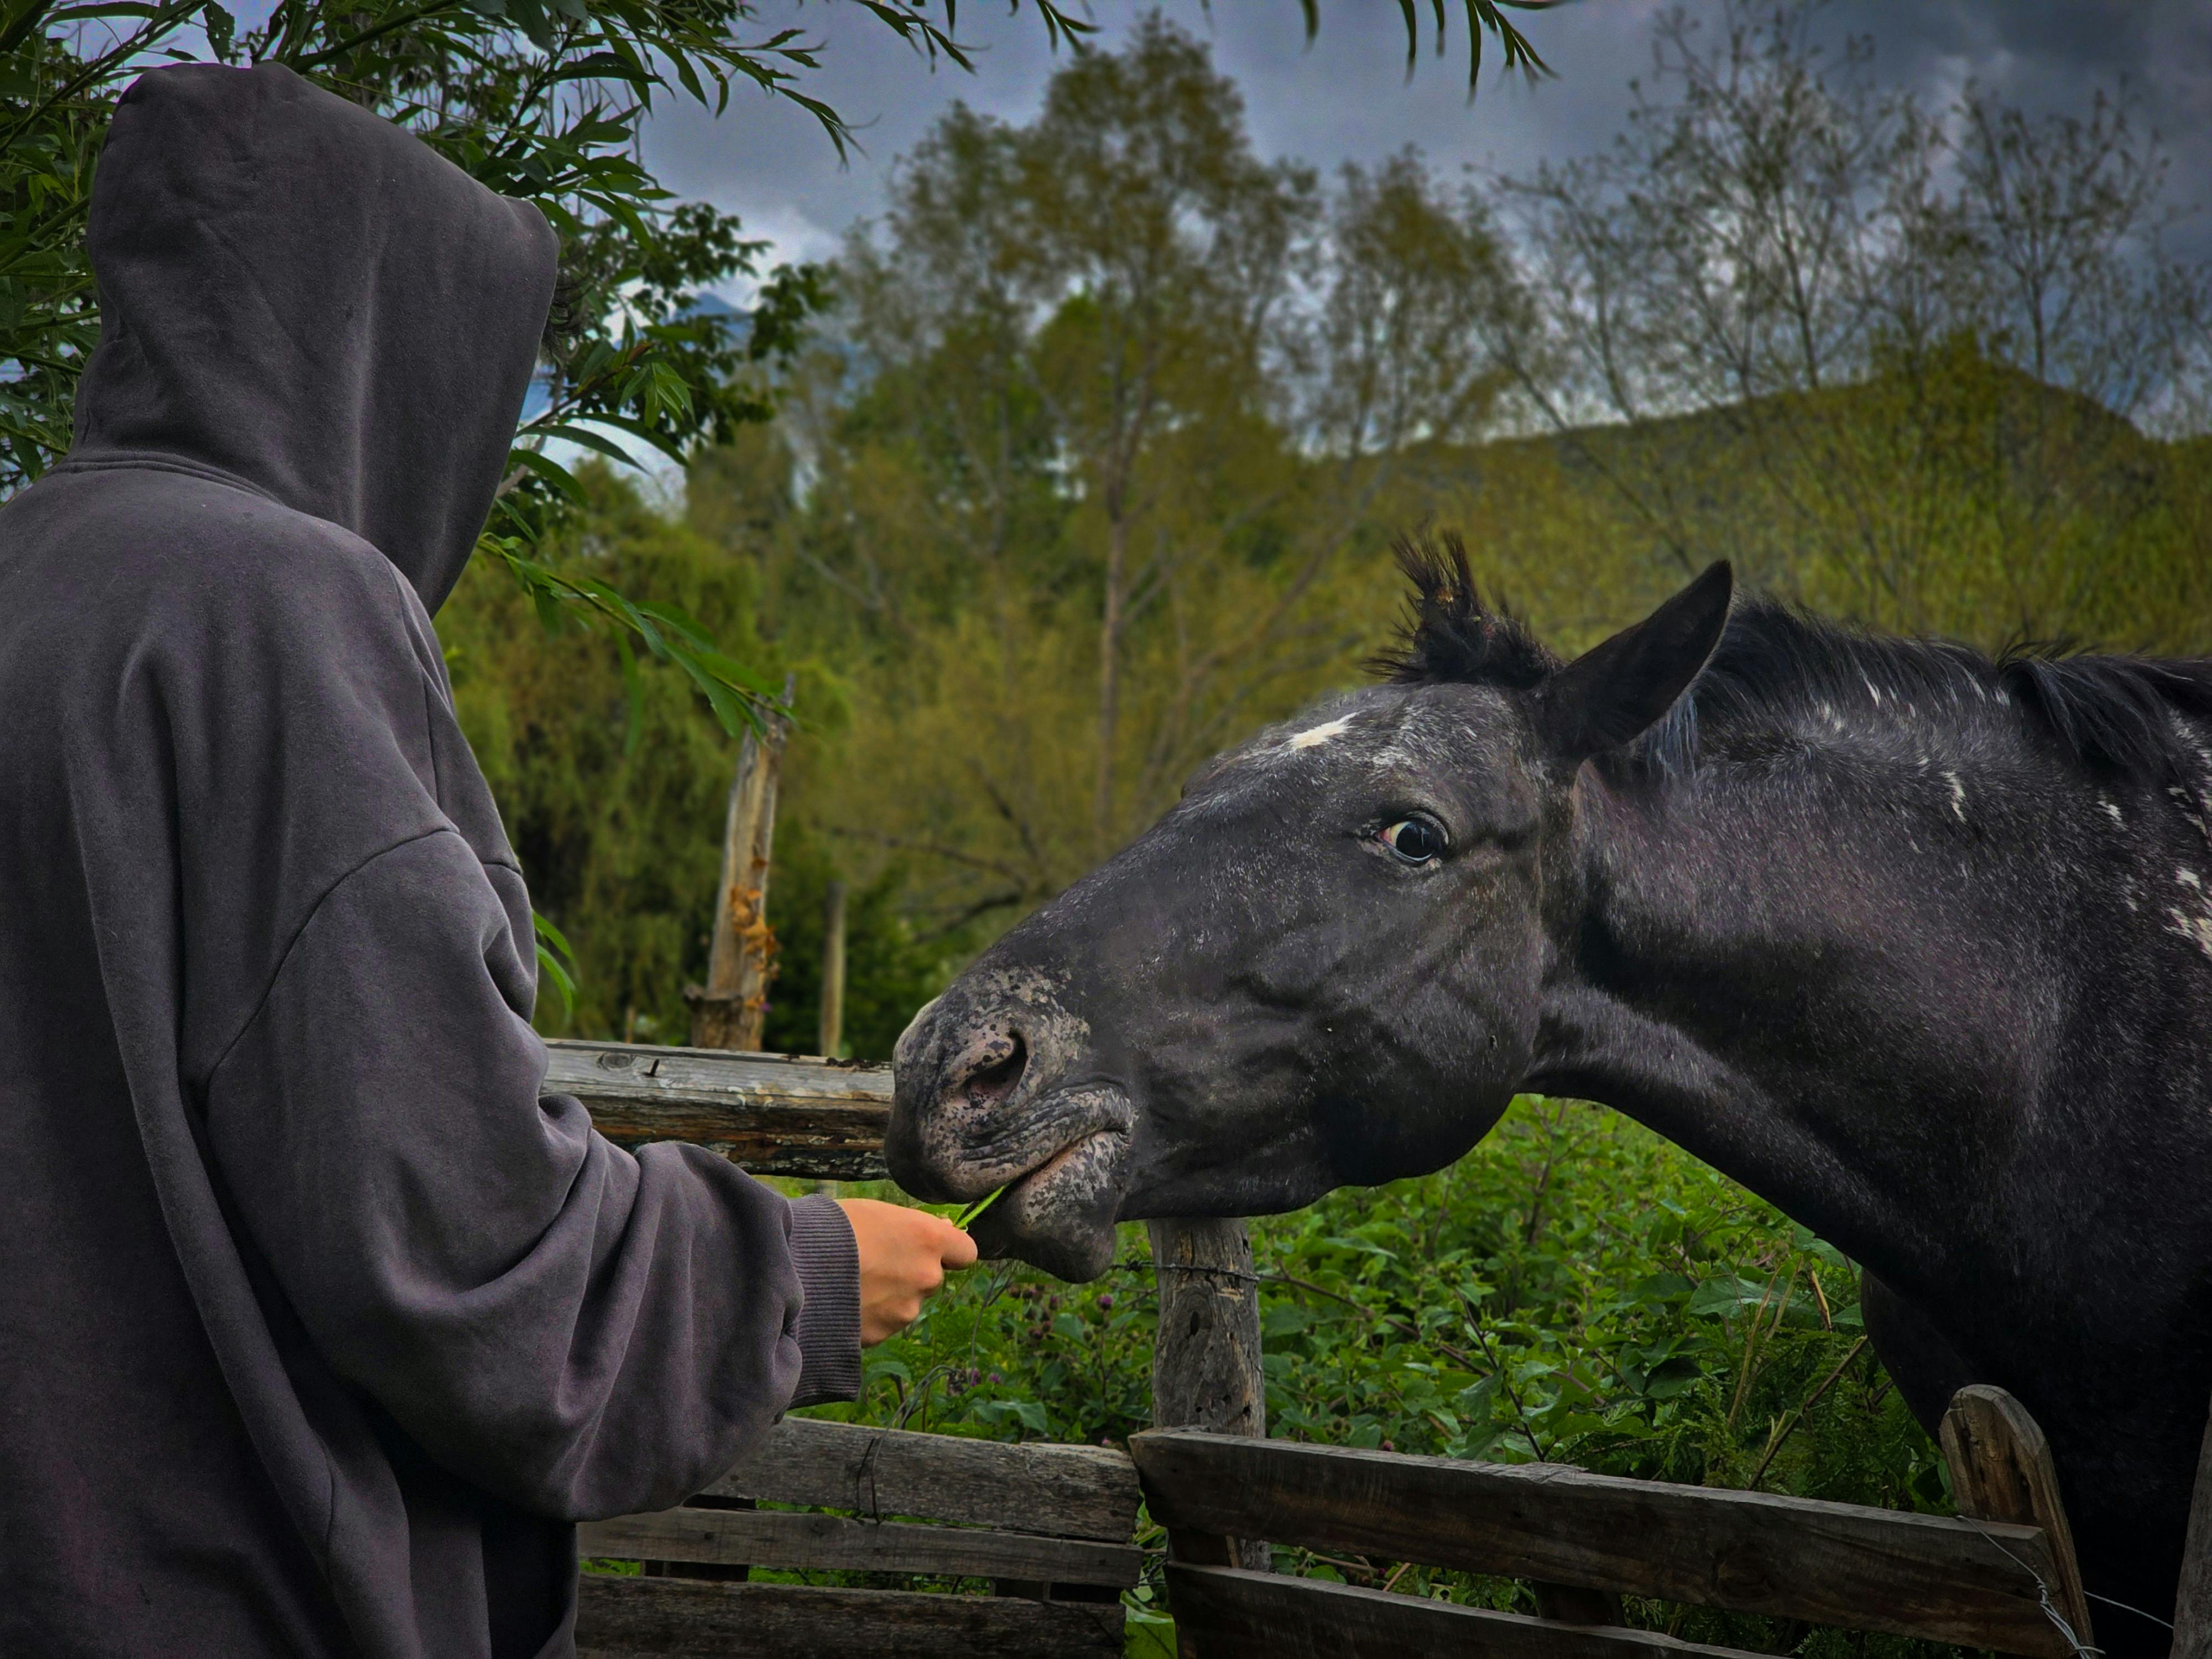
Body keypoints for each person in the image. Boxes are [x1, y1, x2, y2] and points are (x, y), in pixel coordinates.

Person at [0, 60, 975, 1659]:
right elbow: (452, 1246)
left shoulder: (30, 579)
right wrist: (795, 1272)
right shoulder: (279, 612)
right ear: (377, 345)